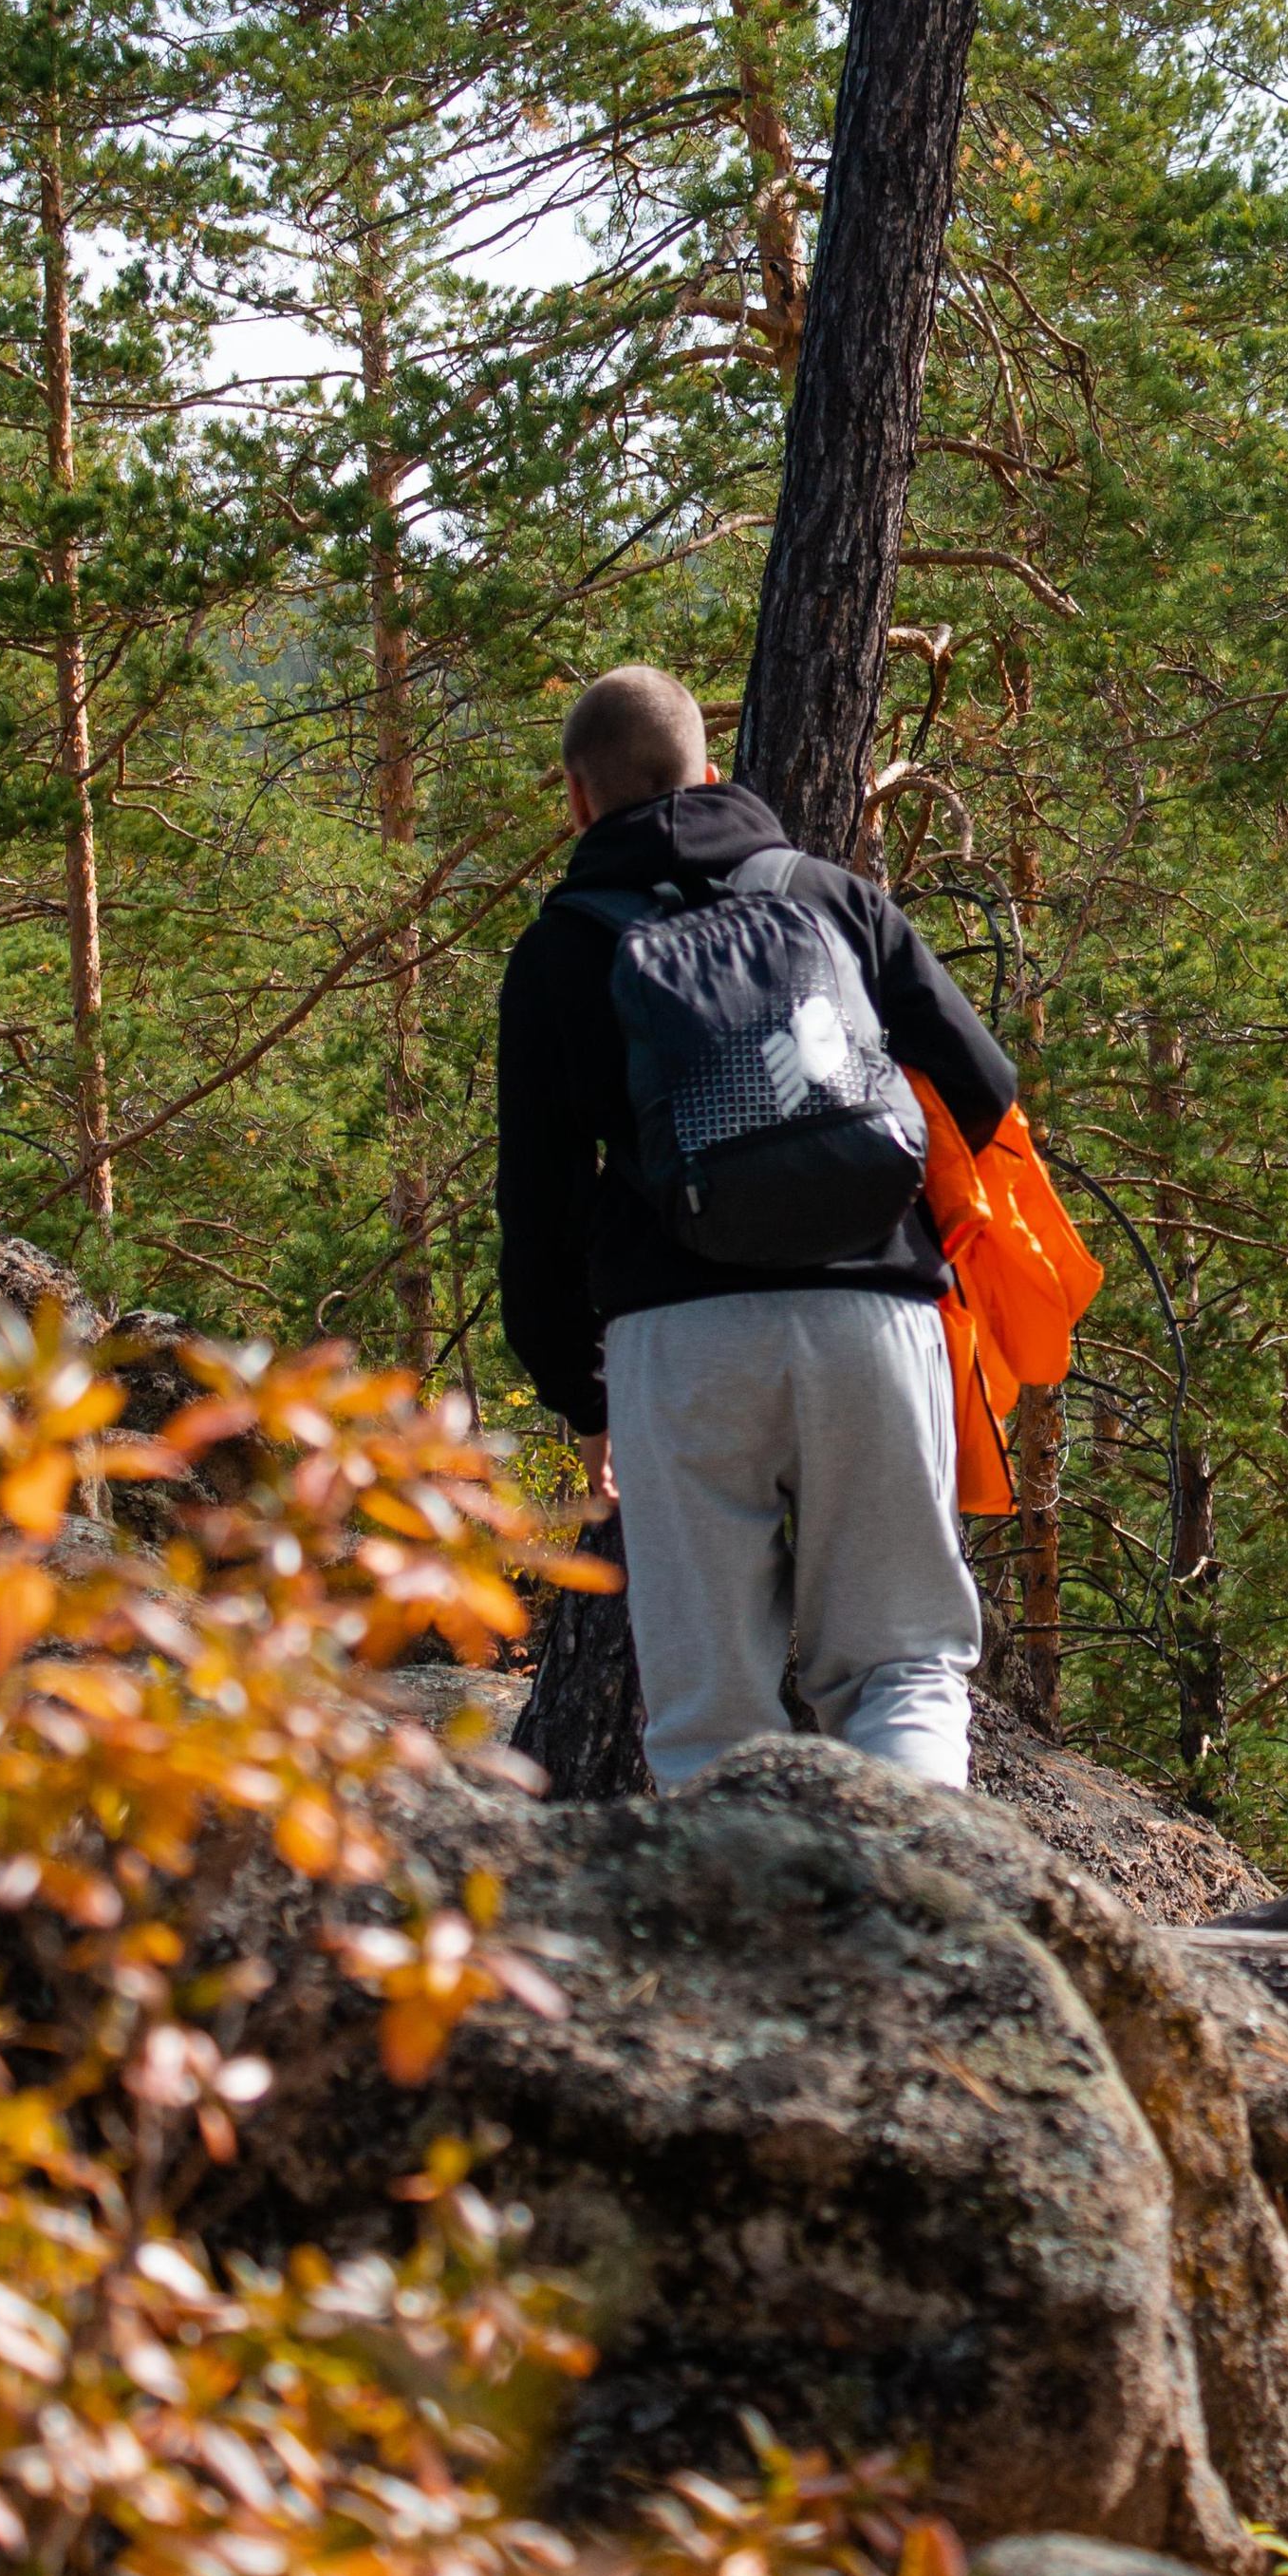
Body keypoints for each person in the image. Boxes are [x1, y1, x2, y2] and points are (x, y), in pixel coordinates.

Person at [495, 664, 1017, 1793]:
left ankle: (742, 1909)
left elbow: (536, 1209)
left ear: (577, 798)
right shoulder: (830, 897)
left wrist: (585, 1398)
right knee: (901, 1667)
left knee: (708, 1717)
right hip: (873, 1316)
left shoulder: (560, 949)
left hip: (679, 1342)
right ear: (708, 773)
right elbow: (984, 1086)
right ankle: (925, 1891)